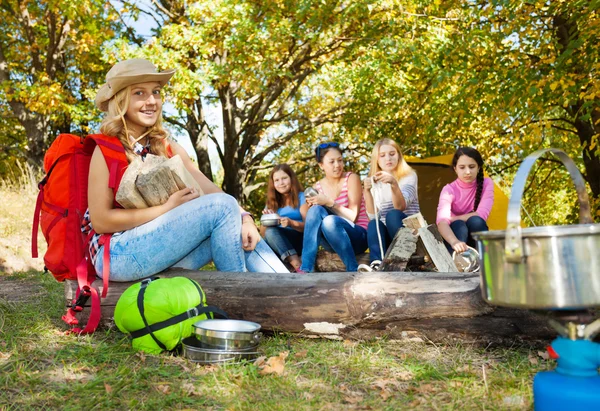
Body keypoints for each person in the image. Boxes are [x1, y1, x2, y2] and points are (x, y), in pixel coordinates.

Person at [85, 58, 288, 281]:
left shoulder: (166, 146)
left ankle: (292, 292)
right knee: (223, 209)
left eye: (156, 91)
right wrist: (168, 208)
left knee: (235, 227)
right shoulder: (105, 148)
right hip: (117, 256)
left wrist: (246, 219)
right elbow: (101, 221)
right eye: (139, 93)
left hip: (158, 249)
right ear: (120, 100)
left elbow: (210, 190)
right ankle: (239, 299)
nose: (151, 100)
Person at [298, 142, 369, 273]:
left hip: (358, 237)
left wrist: (328, 202)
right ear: (321, 165)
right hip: (333, 242)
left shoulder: (351, 178)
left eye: (340, 160)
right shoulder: (317, 187)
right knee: (315, 210)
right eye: (332, 162)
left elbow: (352, 217)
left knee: (330, 221)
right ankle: (306, 268)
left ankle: (352, 268)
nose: (337, 165)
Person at [362, 138, 420, 270]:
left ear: (399, 155)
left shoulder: (409, 176)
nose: (388, 158)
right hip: (389, 236)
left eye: (392, 154)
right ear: (377, 159)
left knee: (392, 215)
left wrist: (394, 184)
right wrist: (367, 191)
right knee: (373, 223)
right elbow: (373, 216)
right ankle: (376, 262)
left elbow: (400, 207)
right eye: (382, 155)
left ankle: (406, 257)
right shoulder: (375, 181)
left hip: (410, 232)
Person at [436, 146, 494, 255]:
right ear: (455, 169)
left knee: (475, 220)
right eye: (462, 167)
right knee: (459, 225)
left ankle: (482, 259)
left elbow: (481, 214)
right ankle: (457, 261)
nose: (467, 172)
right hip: (456, 238)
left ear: (479, 168)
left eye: (472, 167)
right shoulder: (449, 190)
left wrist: (451, 218)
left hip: (475, 236)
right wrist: (455, 242)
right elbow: (442, 222)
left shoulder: (487, 184)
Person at [261, 164, 308, 271]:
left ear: (291, 179)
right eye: (276, 180)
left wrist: (291, 223)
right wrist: (267, 218)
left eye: (284, 178)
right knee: (265, 236)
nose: (281, 183)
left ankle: (298, 266)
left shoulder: (302, 197)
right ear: (273, 183)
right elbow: (264, 233)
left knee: (271, 232)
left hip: (297, 240)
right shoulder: (271, 203)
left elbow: (309, 227)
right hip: (279, 243)